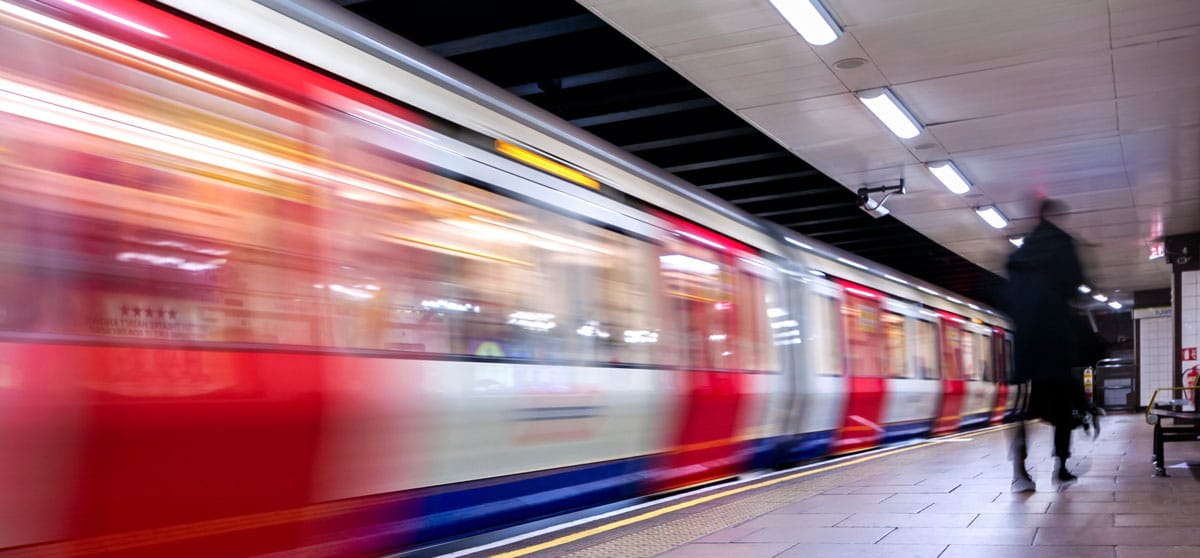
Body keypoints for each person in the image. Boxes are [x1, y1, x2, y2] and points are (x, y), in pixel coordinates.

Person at [1001, 198, 1086, 492]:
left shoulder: (1019, 255)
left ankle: (1019, 473)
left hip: (1026, 348)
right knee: (1063, 412)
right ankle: (1061, 468)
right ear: (1054, 216)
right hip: (1056, 344)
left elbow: (1008, 296)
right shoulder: (1063, 245)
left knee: (1022, 412)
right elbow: (1077, 285)